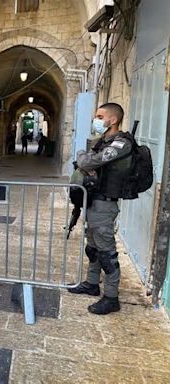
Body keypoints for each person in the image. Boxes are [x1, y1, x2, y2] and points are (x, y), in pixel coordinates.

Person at [68, 103, 132, 315]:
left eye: (99, 116)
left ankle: (111, 297)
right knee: (93, 247)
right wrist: (84, 160)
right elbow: (87, 162)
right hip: (94, 201)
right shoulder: (102, 142)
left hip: (105, 204)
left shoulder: (122, 143)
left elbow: (90, 162)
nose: (95, 119)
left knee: (107, 253)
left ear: (112, 120)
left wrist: (82, 157)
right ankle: (92, 283)